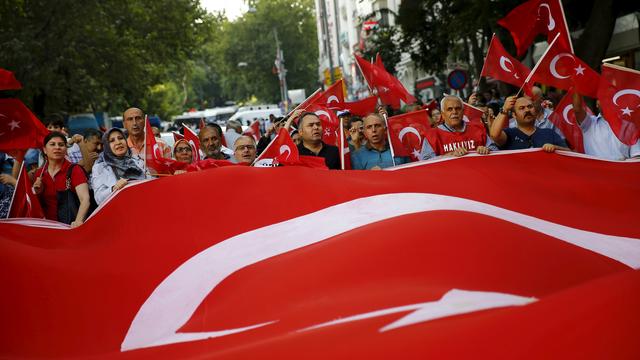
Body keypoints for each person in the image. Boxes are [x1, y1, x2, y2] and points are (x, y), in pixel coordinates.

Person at [32, 132, 91, 227]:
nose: (57, 147)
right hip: (46, 226)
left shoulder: (75, 169)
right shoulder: (39, 174)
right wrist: (37, 192)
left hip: (69, 226)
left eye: (61, 145)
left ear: (66, 150)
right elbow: (34, 205)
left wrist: (78, 221)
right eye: (52, 144)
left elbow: (85, 199)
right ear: (44, 150)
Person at [420, 95, 498, 159]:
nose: (454, 112)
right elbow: (425, 161)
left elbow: (496, 150)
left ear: (463, 111)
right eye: (449, 109)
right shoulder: (432, 135)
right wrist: (448, 155)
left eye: (458, 108)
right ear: (443, 114)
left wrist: (487, 150)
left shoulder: (478, 128)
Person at [490, 96, 570, 152]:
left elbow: (569, 152)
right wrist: (504, 109)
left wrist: (555, 148)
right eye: (522, 108)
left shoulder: (549, 133)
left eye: (530, 106)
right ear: (514, 115)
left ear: (535, 111)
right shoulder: (509, 134)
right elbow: (494, 135)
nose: (527, 110)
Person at [572, 96, 640, 160]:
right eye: (603, 98)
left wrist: (623, 164)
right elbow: (577, 109)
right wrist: (577, 85)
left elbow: (637, 157)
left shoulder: (629, 127)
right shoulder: (589, 124)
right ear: (597, 103)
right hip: (595, 171)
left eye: (609, 99)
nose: (606, 102)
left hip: (621, 171)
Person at [91, 128, 147, 205]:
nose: (118, 142)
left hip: (142, 205)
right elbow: (98, 199)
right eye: (112, 140)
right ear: (107, 145)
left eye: (120, 138)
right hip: (119, 211)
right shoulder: (100, 167)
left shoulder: (137, 161)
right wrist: (114, 188)